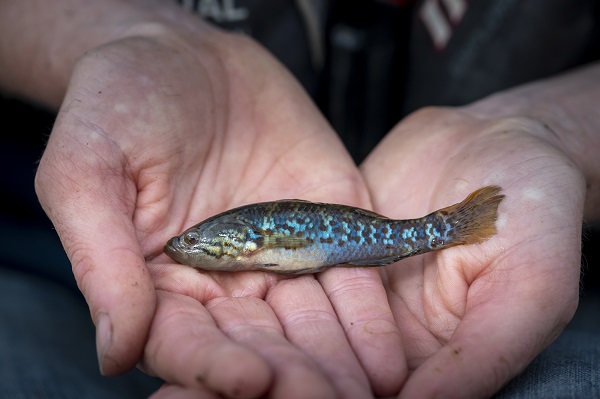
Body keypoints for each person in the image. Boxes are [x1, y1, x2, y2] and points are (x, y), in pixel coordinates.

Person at [1, 0, 599, 398]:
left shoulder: (245, 241)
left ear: (231, 244)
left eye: (191, 245)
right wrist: (141, 33)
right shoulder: (235, 242)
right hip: (37, 264)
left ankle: (449, 228)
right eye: (186, 246)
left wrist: (554, 130)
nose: (185, 249)